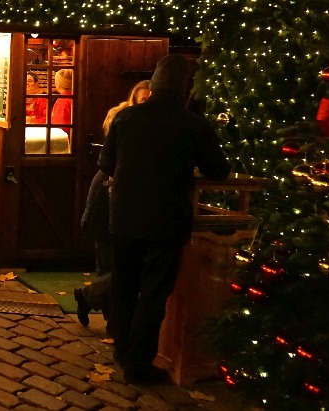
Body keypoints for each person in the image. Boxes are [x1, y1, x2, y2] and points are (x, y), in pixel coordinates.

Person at [99, 55, 229, 384]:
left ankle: (122, 350)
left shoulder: (126, 118)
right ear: (184, 88)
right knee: (154, 294)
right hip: (166, 219)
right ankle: (138, 365)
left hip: (124, 215)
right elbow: (219, 169)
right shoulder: (192, 124)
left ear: (154, 85)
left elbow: (106, 162)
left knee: (125, 287)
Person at [74, 79, 150, 330]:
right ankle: (108, 317)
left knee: (120, 270)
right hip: (108, 208)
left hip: (122, 209)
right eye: (142, 100)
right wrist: (88, 213)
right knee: (114, 269)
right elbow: (103, 173)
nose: (145, 104)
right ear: (134, 99)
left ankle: (94, 304)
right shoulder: (124, 122)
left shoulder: (144, 128)